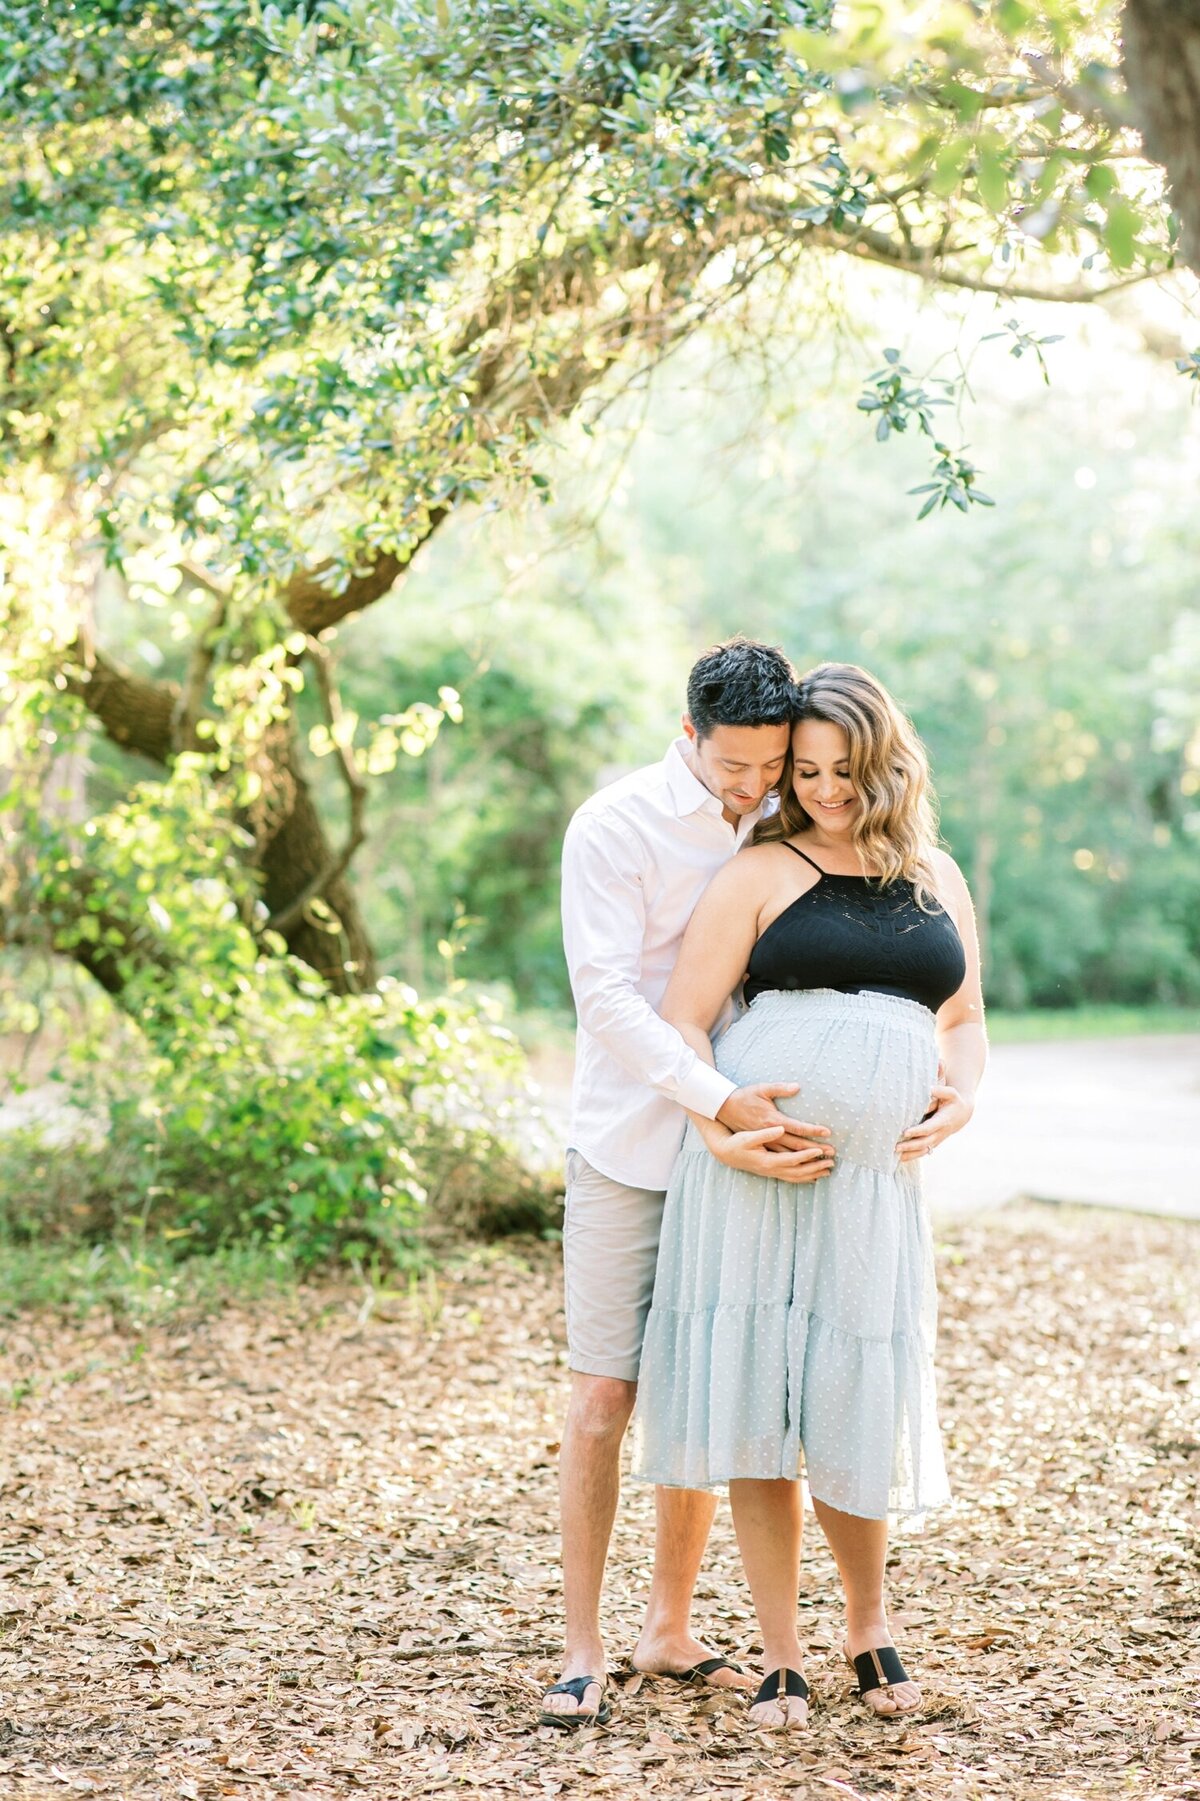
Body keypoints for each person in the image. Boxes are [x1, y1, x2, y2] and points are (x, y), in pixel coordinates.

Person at [631, 661, 987, 1731]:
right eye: (809, 770)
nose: (825, 789)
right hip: (757, 1175)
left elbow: (964, 1024)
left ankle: (869, 1625)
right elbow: (684, 1023)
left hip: (872, 1187)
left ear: (885, 761)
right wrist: (722, 1125)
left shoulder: (937, 874)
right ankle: (782, 1650)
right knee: (759, 1401)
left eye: (846, 768)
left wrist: (960, 1099)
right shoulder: (757, 870)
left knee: (853, 1395)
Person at [542, 640, 837, 1730]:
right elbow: (607, 1000)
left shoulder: (786, 815)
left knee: (705, 1394)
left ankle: (669, 1628)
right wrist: (710, 1098)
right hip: (632, 1143)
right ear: (688, 735)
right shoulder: (614, 826)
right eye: (736, 767)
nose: (756, 788)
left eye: (773, 766)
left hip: (747, 1148)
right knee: (603, 1396)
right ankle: (581, 1646)